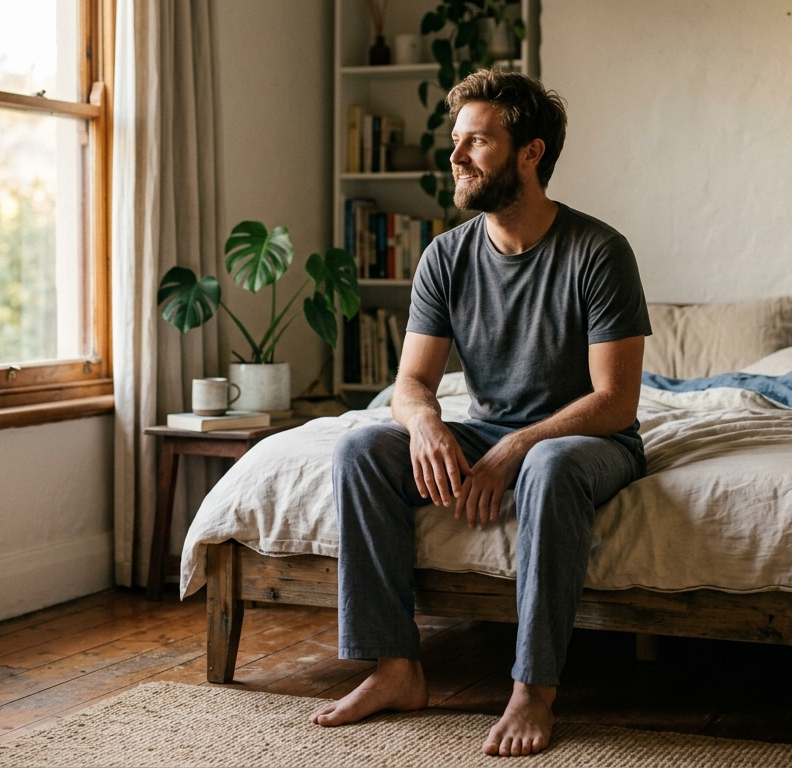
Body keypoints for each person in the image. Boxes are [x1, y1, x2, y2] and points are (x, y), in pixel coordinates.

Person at [308, 70, 651, 757]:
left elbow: (616, 400)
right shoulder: (445, 257)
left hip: (585, 437)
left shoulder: (598, 251)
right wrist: (429, 422)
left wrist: (518, 446)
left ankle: (533, 688)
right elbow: (411, 382)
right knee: (362, 449)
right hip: (489, 428)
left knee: (549, 465)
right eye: (456, 141)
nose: (456, 157)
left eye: (477, 142)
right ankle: (395, 668)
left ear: (530, 152)